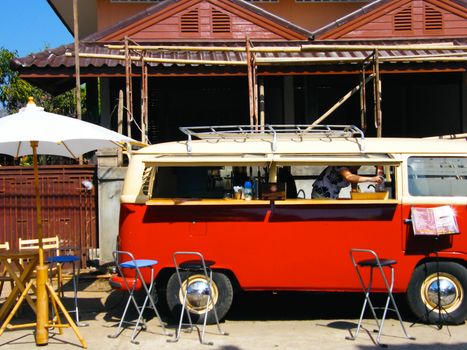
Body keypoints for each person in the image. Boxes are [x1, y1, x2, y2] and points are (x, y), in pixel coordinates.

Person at [311, 166, 383, 199]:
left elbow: (354, 181)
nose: (359, 166)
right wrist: (372, 179)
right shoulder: (341, 165)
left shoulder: (352, 169)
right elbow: (349, 177)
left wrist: (355, 191)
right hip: (321, 195)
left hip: (332, 196)